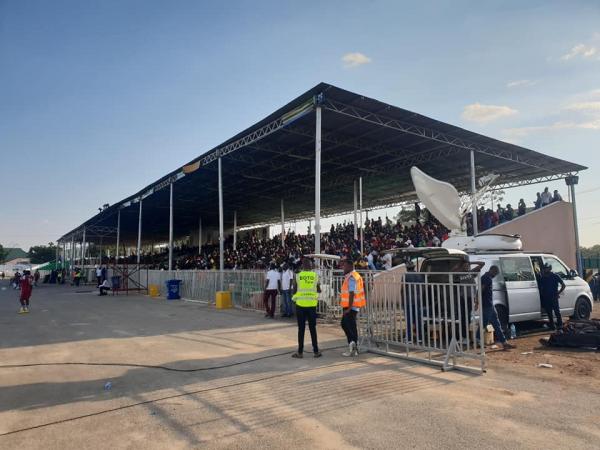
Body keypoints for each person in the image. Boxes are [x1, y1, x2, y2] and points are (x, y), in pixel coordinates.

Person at [475, 266, 515, 350]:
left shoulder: (486, 277)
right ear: (492, 270)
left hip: (489, 304)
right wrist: (477, 302)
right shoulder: (486, 278)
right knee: (491, 324)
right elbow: (480, 290)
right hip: (487, 305)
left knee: (490, 323)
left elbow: (480, 290)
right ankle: (503, 342)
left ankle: (503, 342)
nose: (495, 276)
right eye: (495, 273)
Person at [291, 258, 322, 358]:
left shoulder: (298, 276)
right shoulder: (315, 276)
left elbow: (294, 290)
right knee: (313, 328)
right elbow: (319, 290)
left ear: (303, 266)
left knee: (301, 329)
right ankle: (316, 351)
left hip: (300, 305)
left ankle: (300, 352)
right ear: (311, 266)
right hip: (312, 305)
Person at [340, 257, 366, 357]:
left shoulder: (351, 277)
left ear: (350, 266)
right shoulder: (354, 275)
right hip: (353, 306)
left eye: (345, 266)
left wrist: (349, 308)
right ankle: (354, 346)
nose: (343, 268)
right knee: (351, 326)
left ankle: (352, 345)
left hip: (350, 307)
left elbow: (351, 293)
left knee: (346, 325)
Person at [539, 263, 566, 330]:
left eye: (546, 268)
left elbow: (563, 285)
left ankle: (560, 325)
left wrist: (558, 293)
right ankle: (552, 326)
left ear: (550, 268)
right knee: (549, 313)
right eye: (544, 268)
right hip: (546, 298)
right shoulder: (543, 278)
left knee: (557, 312)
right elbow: (541, 287)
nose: (545, 269)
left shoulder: (555, 276)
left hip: (554, 297)